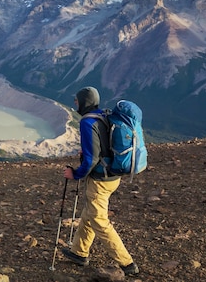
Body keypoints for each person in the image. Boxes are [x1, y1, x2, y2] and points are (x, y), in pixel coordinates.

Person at [62, 86, 139, 276]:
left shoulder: (87, 122)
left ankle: (127, 263)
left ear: (84, 102)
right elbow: (102, 145)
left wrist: (76, 174)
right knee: (89, 213)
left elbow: (91, 159)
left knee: (98, 219)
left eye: (77, 100)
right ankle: (79, 252)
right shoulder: (103, 115)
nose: (75, 103)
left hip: (100, 180)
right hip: (113, 176)